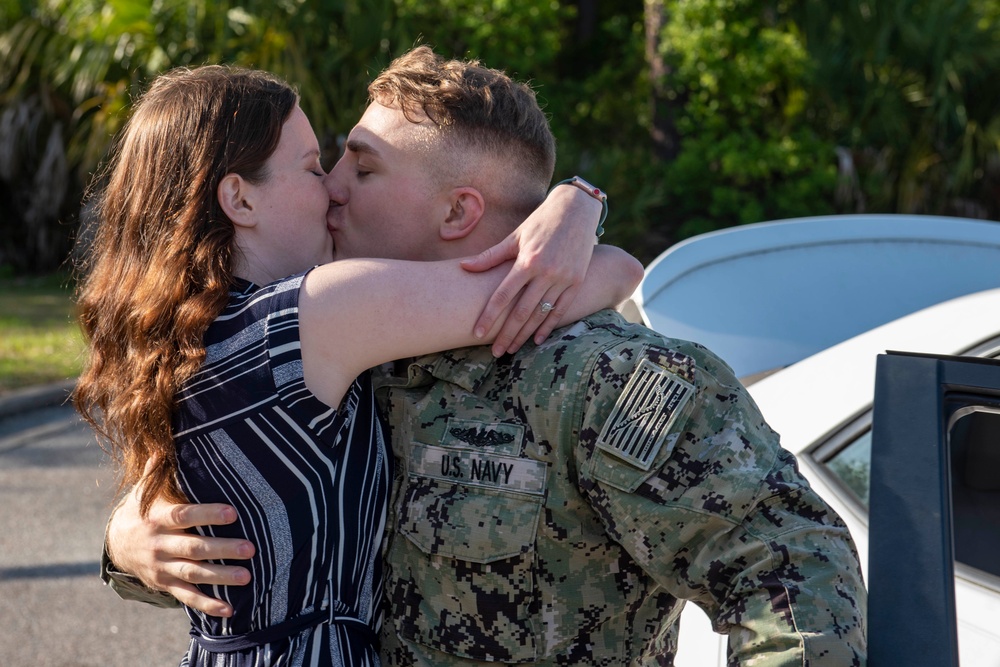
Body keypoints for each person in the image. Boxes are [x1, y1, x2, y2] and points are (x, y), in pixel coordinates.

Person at [101, 48, 868, 665]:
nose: (333, 188)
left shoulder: (603, 381)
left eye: (361, 167)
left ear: (459, 210)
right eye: (327, 165)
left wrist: (583, 208)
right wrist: (125, 543)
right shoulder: (356, 357)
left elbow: (792, 568)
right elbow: (261, 546)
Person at [74, 62, 639, 667]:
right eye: (315, 167)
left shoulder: (198, 333)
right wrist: (580, 207)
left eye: (352, 166)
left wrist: (118, 539)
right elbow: (583, 280)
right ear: (239, 198)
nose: (334, 186)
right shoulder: (318, 313)